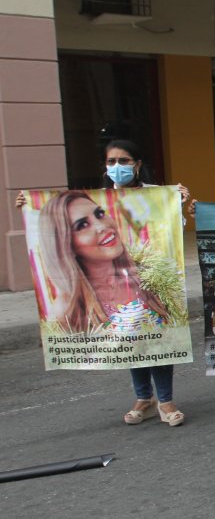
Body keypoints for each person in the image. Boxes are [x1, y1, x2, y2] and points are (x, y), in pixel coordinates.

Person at [17, 140, 190, 427]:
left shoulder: (155, 196)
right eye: (111, 162)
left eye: (124, 161)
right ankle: (143, 397)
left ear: (137, 165)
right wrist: (29, 206)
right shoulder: (96, 197)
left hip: (144, 284)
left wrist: (178, 203)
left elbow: (173, 232)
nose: (117, 167)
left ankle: (166, 399)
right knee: (130, 339)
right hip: (111, 289)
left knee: (158, 339)